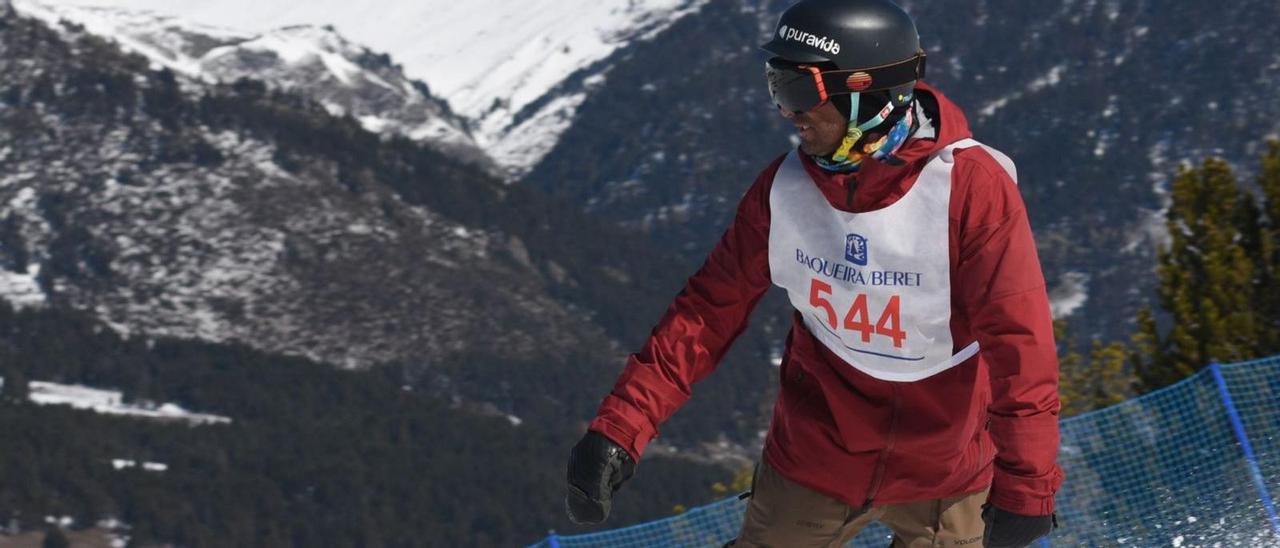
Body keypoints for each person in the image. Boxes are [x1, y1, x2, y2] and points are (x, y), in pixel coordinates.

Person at [566, 0, 1062, 546]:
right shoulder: (784, 192)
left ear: (867, 93)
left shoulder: (969, 189)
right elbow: (707, 314)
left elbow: (1019, 342)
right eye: (776, 85)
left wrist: (1027, 485)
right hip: (813, 464)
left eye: (798, 89)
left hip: (947, 473)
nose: (786, 110)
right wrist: (620, 428)